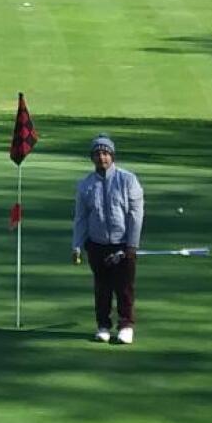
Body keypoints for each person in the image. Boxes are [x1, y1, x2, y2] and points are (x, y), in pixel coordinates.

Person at [72, 133, 144, 344]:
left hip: (123, 244)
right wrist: (76, 245)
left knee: (124, 288)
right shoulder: (85, 185)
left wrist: (132, 244)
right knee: (102, 288)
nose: (101, 157)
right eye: (97, 154)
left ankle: (126, 326)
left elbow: (136, 214)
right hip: (97, 244)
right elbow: (81, 217)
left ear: (112, 156)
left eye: (105, 153)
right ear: (92, 158)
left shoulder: (127, 180)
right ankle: (103, 325)